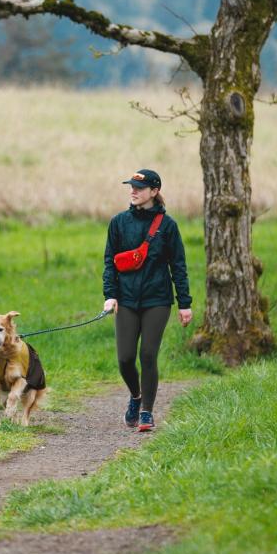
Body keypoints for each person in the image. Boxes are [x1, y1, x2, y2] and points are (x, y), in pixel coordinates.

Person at [102, 169, 192, 432]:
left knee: (148, 355)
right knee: (125, 358)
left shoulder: (168, 226)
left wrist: (184, 303)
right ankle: (136, 396)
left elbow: (178, 266)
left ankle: (146, 413)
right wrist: (110, 295)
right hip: (126, 300)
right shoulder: (118, 223)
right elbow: (109, 262)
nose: (133, 191)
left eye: (139, 188)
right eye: (131, 187)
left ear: (154, 191)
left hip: (158, 299)